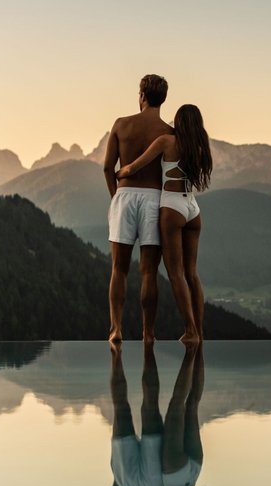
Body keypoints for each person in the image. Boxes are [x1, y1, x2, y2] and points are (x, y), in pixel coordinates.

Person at [107, 342, 216, 486]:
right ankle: (123, 352)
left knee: (167, 405)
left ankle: (165, 345)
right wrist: (118, 481)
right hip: (131, 483)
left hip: (158, 478)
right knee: (123, 406)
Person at [117, 104, 212, 344]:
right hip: (193, 209)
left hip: (172, 208)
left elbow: (134, 166)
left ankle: (190, 331)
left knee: (175, 273)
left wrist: (119, 174)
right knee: (192, 274)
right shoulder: (200, 149)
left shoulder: (166, 142)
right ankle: (199, 332)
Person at [104, 74, 172, 343]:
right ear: (163, 99)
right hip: (155, 198)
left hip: (125, 195)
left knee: (119, 269)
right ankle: (148, 333)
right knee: (149, 271)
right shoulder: (169, 132)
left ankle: (116, 329)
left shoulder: (122, 125)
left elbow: (108, 167)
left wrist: (115, 198)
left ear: (141, 96)